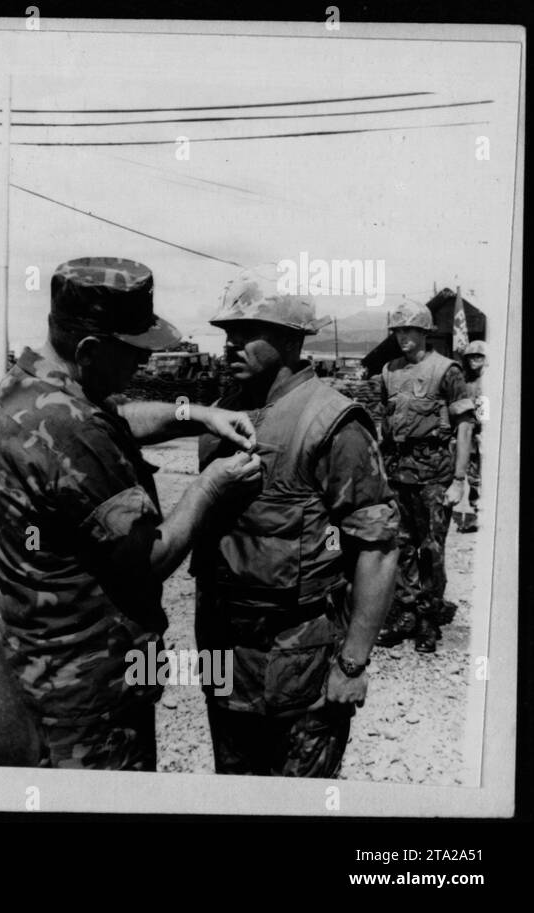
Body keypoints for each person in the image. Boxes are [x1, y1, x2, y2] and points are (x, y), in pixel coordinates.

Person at [0, 256, 262, 770]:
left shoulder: (29, 387)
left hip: (42, 666)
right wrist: (209, 488)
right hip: (91, 695)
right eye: (133, 353)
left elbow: (118, 417)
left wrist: (194, 414)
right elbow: (147, 558)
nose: (143, 365)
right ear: (88, 350)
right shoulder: (71, 430)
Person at [192, 264, 399, 777]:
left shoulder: (331, 422)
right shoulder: (220, 415)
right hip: (226, 658)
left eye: (246, 333)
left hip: (299, 667)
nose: (230, 345)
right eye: (226, 333)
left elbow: (377, 547)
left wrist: (352, 663)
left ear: (289, 341)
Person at [373, 301, 476, 652]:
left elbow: (464, 427)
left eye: (410, 330)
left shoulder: (447, 371)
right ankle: (404, 613)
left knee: (431, 550)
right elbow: (384, 427)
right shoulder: (389, 371)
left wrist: (459, 480)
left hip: (434, 476)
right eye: (398, 330)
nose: (403, 337)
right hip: (397, 475)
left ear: (424, 332)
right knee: (399, 547)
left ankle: (428, 619)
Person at [455, 340, 487, 533]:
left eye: (479, 356)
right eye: (470, 357)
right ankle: (474, 516)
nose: (474, 361)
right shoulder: (466, 382)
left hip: (485, 435)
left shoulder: (490, 381)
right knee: (472, 479)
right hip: (470, 437)